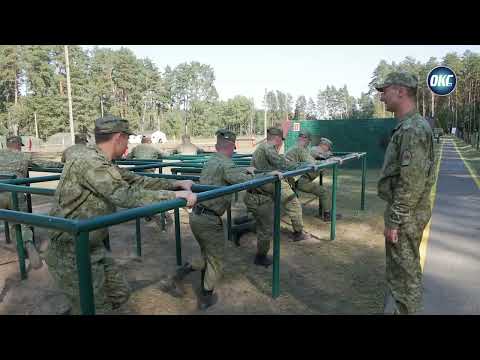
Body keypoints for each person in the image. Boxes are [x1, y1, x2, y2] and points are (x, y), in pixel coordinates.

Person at [44, 115, 198, 314]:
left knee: (119, 293)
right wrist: (175, 196)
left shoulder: (100, 160)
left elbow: (133, 180)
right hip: (71, 251)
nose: (127, 144)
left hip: (90, 246)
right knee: (97, 308)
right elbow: (124, 195)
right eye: (126, 138)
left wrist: (175, 184)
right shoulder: (91, 162)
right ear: (118, 137)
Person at [376, 71, 435, 315]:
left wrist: (395, 219)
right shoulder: (407, 127)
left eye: (385, 91)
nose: (381, 97)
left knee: (406, 277)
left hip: (406, 216)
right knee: (401, 275)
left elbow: (411, 182)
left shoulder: (412, 129)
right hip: (407, 213)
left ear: (401, 91)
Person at [0, 135, 64, 270]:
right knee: (21, 223)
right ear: (18, 145)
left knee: (9, 221)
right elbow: (44, 163)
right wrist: (63, 165)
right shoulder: (23, 157)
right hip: (15, 193)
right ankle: (28, 244)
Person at [246, 127, 311, 243]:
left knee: (267, 214)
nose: (282, 142)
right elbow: (282, 164)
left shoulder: (263, 147)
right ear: (277, 138)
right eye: (282, 139)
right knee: (293, 203)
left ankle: (242, 227)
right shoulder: (268, 147)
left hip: (262, 181)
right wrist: (304, 166)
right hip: (269, 182)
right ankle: (298, 232)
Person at [285, 131, 339, 221]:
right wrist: (328, 160)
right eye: (325, 145)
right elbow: (312, 162)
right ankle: (327, 215)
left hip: (294, 178)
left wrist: (327, 158)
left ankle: (327, 213)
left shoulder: (300, 148)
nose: (326, 147)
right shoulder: (301, 148)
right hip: (296, 179)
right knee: (324, 191)